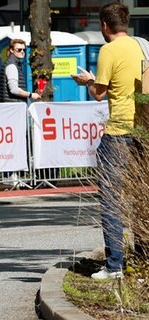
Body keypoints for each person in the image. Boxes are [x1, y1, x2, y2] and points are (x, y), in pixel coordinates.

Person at [71, 2, 145, 280]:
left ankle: (115, 265)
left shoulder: (108, 51)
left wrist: (87, 80)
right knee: (140, 198)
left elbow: (99, 93)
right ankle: (141, 256)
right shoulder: (141, 45)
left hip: (118, 132)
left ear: (104, 25)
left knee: (111, 199)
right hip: (142, 130)